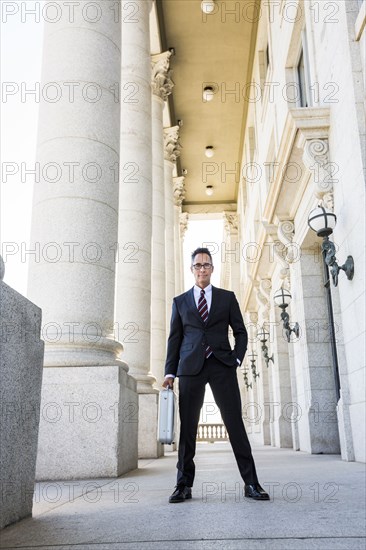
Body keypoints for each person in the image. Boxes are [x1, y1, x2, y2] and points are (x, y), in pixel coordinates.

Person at [163, 247, 270, 503]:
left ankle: (251, 483)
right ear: (192, 270)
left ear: (212, 269)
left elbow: (241, 332)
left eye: (206, 265)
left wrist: (236, 357)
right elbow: (174, 339)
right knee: (187, 429)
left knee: (235, 425)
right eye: (198, 265)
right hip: (190, 369)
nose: (202, 269)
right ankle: (183, 485)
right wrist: (170, 372)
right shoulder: (180, 302)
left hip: (222, 365)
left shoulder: (227, 298)